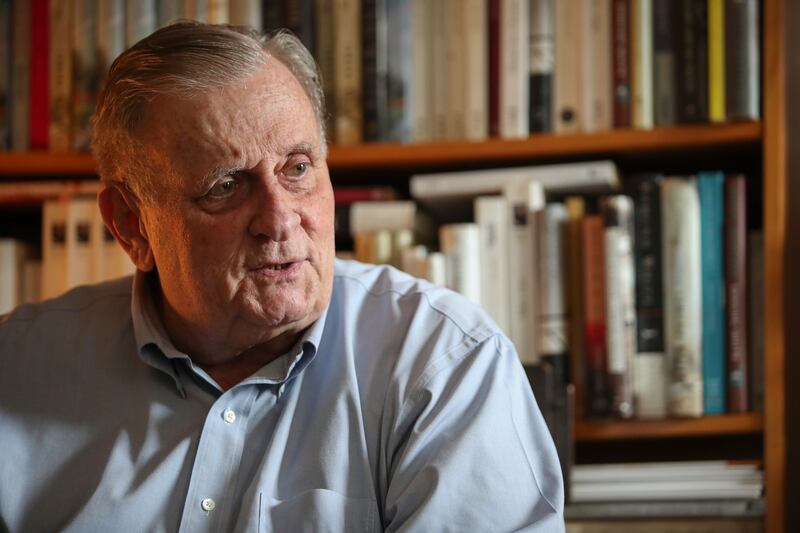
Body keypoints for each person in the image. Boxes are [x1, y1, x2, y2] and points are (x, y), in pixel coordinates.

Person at [0, 22, 563, 532]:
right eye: (225, 186)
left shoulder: (443, 366)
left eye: (297, 169)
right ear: (131, 226)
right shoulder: (16, 371)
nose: (278, 219)